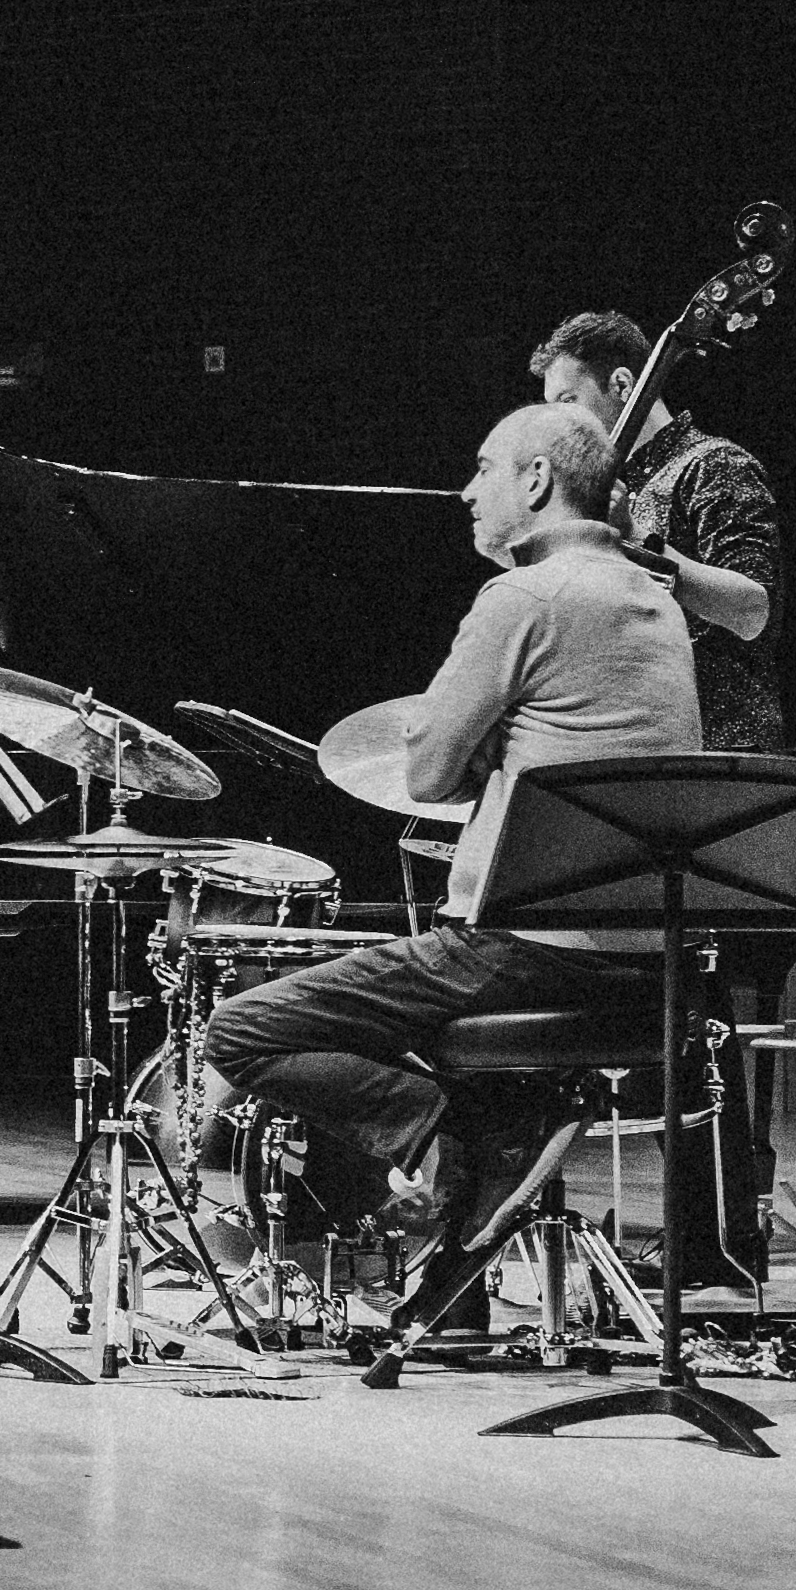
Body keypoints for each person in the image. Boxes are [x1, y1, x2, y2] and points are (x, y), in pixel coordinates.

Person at [198, 402, 700, 1312]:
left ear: (538, 480)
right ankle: (457, 1274)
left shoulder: (522, 598)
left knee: (238, 1029)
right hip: (640, 961)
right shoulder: (656, 602)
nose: (468, 490)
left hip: (517, 948)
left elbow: (428, 770)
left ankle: (438, 1136)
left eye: (484, 468)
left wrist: (480, 745)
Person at [530, 309, 783, 750]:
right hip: (637, 745)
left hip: (717, 746)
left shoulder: (713, 464)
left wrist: (637, 540)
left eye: (567, 401)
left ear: (623, 385)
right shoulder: (610, 489)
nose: (558, 424)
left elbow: (753, 610)